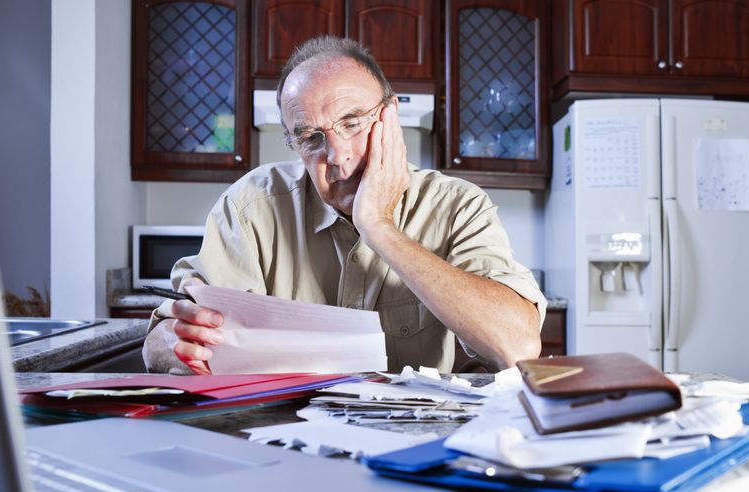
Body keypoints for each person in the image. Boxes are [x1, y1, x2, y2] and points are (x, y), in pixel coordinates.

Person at [142, 36, 546, 375]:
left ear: (391, 118)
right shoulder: (251, 205)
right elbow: (160, 343)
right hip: (286, 432)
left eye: (352, 123)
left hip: (409, 438)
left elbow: (518, 348)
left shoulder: (458, 206)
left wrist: (379, 226)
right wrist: (174, 344)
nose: (338, 156)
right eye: (311, 138)